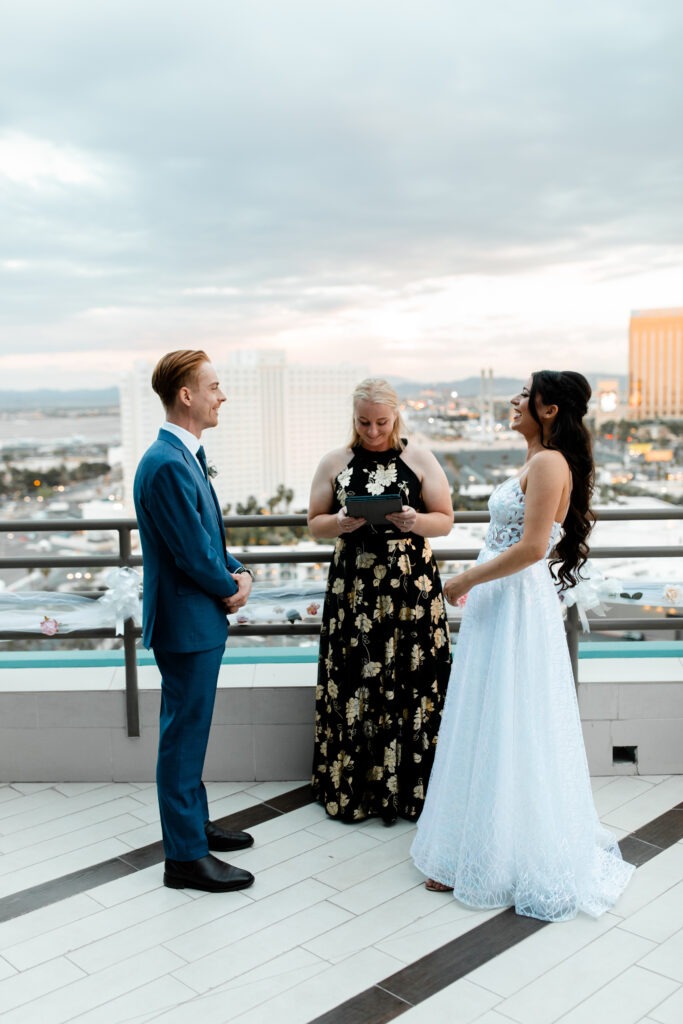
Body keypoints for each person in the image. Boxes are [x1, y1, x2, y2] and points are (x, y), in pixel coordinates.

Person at [411, 370, 634, 921]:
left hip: (514, 602)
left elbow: (535, 547)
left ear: (549, 409)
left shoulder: (549, 463)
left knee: (511, 720)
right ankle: (470, 848)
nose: (514, 402)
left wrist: (466, 579)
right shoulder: (534, 460)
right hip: (500, 600)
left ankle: (502, 857)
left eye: (524, 395)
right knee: (484, 715)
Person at [134, 350, 255, 893]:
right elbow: (191, 553)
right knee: (182, 737)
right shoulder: (164, 464)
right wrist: (234, 587)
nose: (221, 395)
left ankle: (194, 828)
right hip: (187, 624)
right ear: (187, 395)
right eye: (214, 386)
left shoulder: (184, 457)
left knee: (190, 731)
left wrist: (240, 571)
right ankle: (184, 858)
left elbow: (210, 543)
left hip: (196, 619)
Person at [308, 378, 454, 823]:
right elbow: (314, 524)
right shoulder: (334, 461)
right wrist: (340, 522)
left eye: (382, 422)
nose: (373, 431)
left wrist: (415, 520)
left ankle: (414, 788)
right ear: (353, 418)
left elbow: (445, 521)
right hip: (354, 588)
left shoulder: (421, 458)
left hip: (411, 589)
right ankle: (358, 788)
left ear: (397, 417)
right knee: (356, 678)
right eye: (364, 422)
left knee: (414, 676)